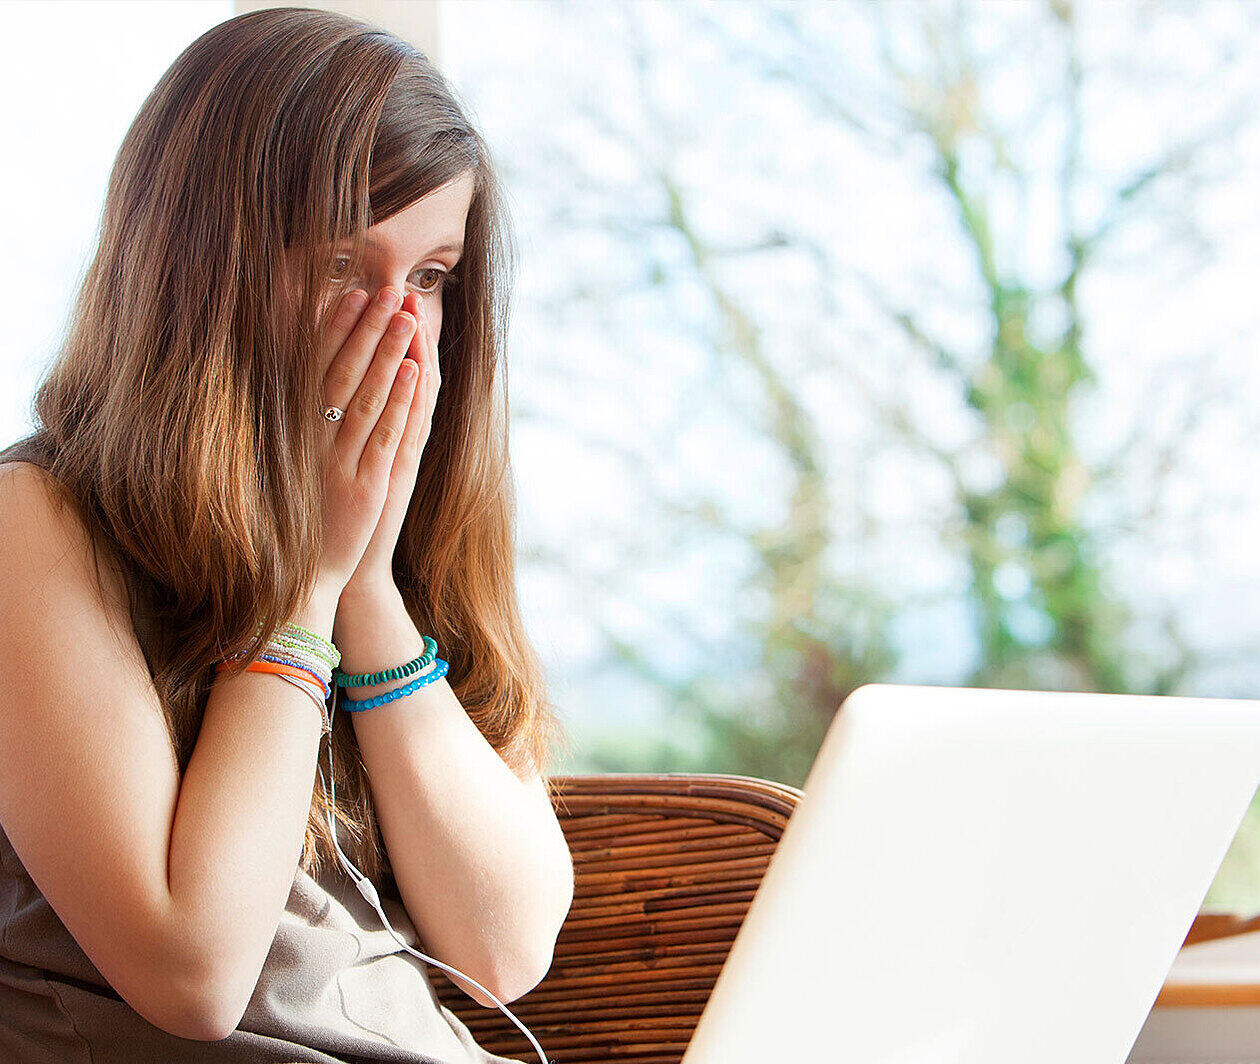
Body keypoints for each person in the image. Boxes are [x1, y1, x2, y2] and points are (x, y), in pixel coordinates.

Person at [0, 7, 574, 1062]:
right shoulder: (34, 523)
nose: (398, 329)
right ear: (199, 270)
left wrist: (365, 585)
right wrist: (305, 581)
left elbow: (504, 945)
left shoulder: (403, 540)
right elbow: (193, 970)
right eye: (346, 268)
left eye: (432, 277)